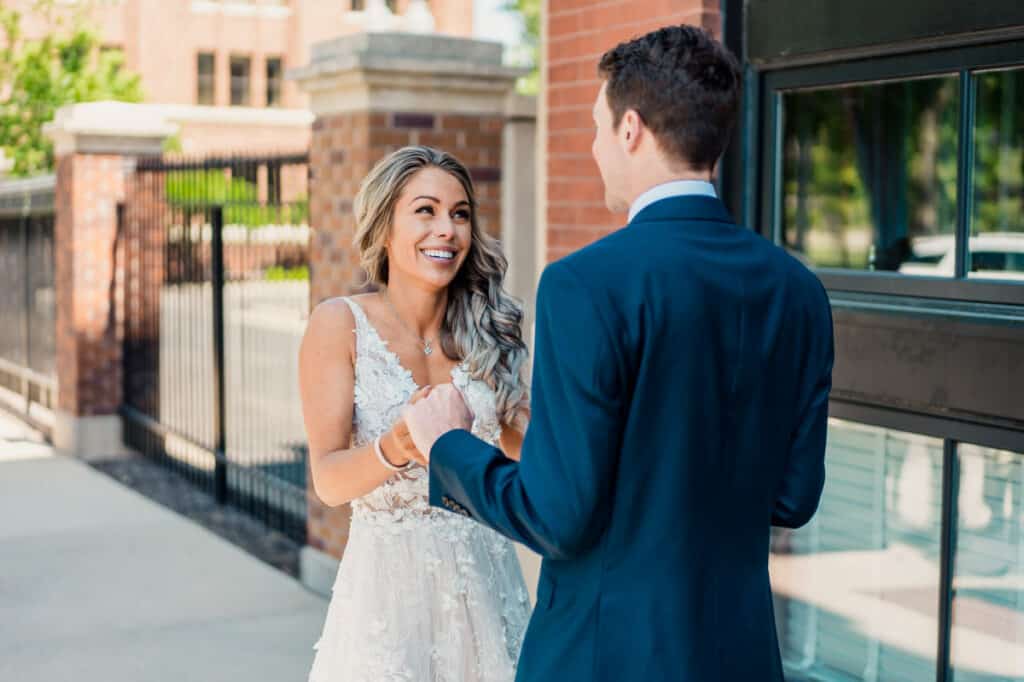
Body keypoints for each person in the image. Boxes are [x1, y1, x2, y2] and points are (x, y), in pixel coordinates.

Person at [403, 25, 835, 681]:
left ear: (631, 129)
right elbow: (794, 498)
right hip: (739, 658)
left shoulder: (586, 284)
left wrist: (449, 447)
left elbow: (557, 516)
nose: (595, 147)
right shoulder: (799, 290)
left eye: (598, 127)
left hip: (604, 660)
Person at [298, 146, 532, 681]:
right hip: (386, 603)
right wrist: (400, 444)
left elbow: (534, 454)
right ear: (384, 227)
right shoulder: (340, 325)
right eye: (425, 211)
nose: (446, 229)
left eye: (460, 213)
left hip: (487, 588)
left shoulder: (487, 332)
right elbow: (330, 481)